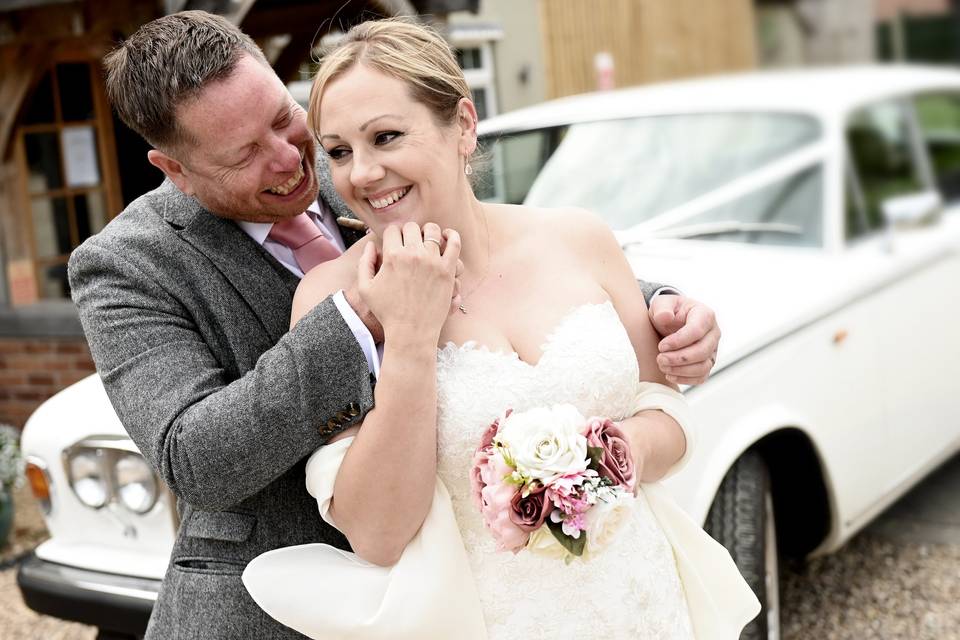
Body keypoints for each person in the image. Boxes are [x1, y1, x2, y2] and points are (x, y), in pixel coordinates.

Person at [69, 11, 721, 639]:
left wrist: (662, 306)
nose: (294, 161)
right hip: (284, 607)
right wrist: (367, 320)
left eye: (283, 119)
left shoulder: (351, 153)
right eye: (245, 153)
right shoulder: (125, 266)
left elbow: (509, 258)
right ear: (176, 171)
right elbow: (198, 459)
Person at [242, 18, 758, 640]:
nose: (363, 174)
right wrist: (408, 336)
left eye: (386, 137)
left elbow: (665, 413)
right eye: (341, 152)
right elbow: (376, 533)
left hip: (642, 603)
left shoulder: (579, 237)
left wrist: (612, 457)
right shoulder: (328, 300)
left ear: (462, 125)